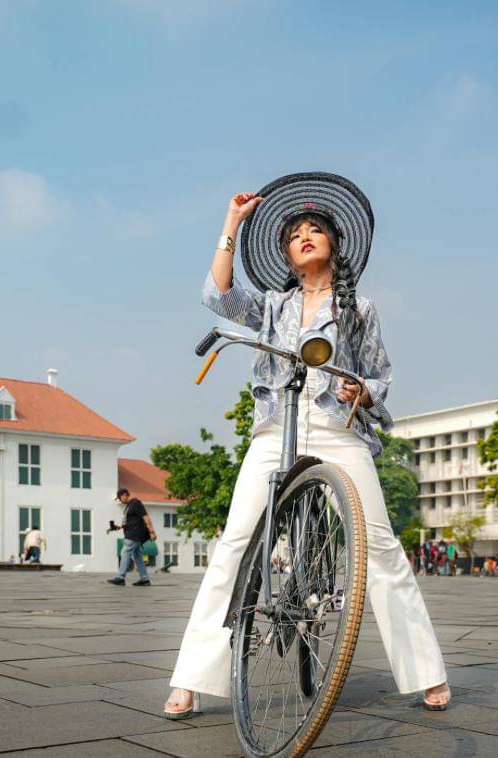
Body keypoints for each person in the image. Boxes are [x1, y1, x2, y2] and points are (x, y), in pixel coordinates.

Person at [164, 177, 450, 719]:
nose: (305, 236)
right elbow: (217, 295)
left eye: (316, 229)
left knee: (381, 547)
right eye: (295, 234)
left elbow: (380, 376)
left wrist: (361, 391)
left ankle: (425, 673)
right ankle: (193, 679)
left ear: (334, 246)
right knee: (234, 544)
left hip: (339, 431)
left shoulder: (359, 308)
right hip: (277, 428)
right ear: (288, 256)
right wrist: (232, 223)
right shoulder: (273, 305)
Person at [107, 487, 156, 587]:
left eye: (120, 498)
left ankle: (120, 578)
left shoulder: (136, 503)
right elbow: (131, 522)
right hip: (134, 534)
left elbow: (146, 517)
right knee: (137, 557)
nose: (120, 500)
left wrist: (152, 532)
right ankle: (144, 579)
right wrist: (118, 527)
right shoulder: (129, 506)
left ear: (125, 495)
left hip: (134, 534)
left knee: (125, 552)